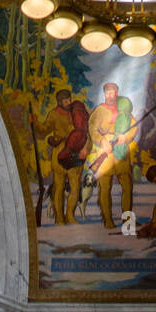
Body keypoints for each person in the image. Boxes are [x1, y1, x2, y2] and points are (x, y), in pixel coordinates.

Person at [33, 89, 90, 225]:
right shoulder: (53, 114)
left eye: (70, 100)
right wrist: (35, 122)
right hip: (59, 152)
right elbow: (43, 130)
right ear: (59, 102)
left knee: (75, 187)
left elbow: (85, 131)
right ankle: (59, 218)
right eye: (65, 101)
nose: (69, 103)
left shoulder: (76, 112)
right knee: (58, 187)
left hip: (75, 151)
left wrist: (85, 147)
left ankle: (70, 215)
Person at [88, 82, 136, 229]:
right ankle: (107, 220)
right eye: (108, 92)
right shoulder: (99, 111)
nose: (111, 95)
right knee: (105, 188)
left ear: (117, 93)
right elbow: (92, 129)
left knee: (127, 187)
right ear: (105, 94)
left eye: (113, 92)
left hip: (121, 151)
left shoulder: (124, 109)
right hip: (105, 152)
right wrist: (102, 141)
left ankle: (128, 221)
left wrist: (125, 137)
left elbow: (134, 126)